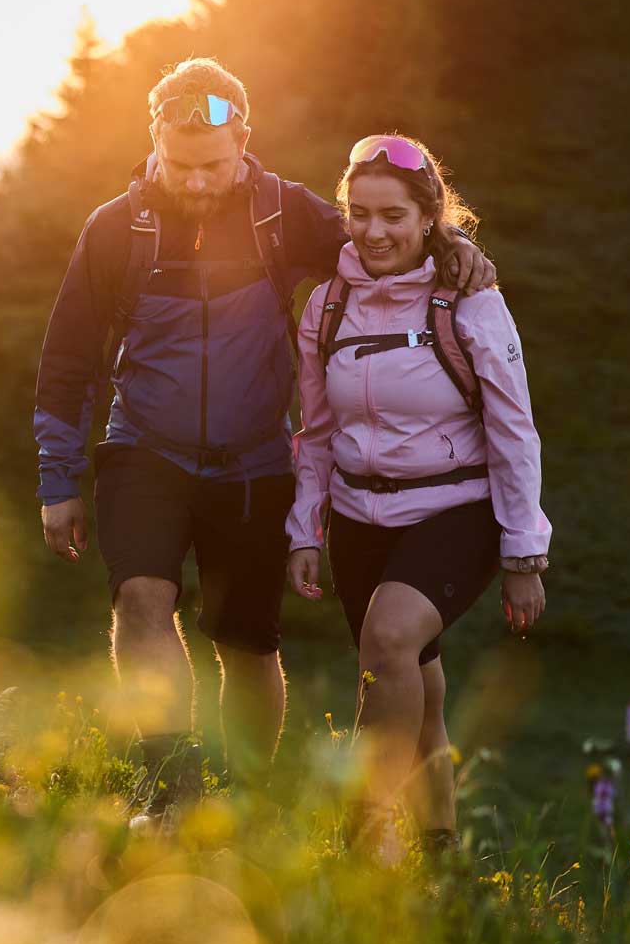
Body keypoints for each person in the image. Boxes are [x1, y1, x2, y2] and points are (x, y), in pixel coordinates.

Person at [33, 60, 494, 806]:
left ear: (243, 141)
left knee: (245, 641)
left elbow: (381, 246)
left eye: (213, 165)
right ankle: (172, 793)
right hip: (144, 451)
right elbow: (68, 361)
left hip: (254, 464)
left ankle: (240, 799)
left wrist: (450, 248)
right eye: (179, 164)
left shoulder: (284, 214)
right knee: (142, 601)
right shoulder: (116, 229)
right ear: (154, 140)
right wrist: (58, 481)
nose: (196, 181)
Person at [285, 134, 549, 862]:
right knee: (415, 685)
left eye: (394, 215)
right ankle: (441, 855)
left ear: (429, 217)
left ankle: (363, 839)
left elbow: (514, 430)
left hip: (455, 512)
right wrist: (306, 529)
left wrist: (523, 552)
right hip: (358, 520)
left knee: (390, 640)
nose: (374, 232)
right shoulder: (326, 306)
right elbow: (315, 431)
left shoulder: (471, 301)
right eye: (359, 214)